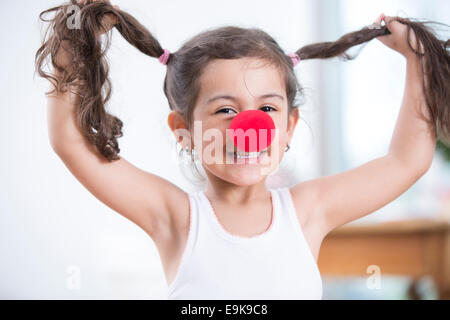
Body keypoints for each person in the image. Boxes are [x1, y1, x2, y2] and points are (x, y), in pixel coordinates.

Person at [35, 0, 449, 299]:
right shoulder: (176, 216)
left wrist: (418, 60)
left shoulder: (308, 210)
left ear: (287, 127)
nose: (249, 126)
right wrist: (74, 44)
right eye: (225, 110)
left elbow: (405, 161)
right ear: (184, 130)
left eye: (267, 108)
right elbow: (71, 142)